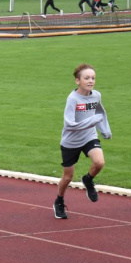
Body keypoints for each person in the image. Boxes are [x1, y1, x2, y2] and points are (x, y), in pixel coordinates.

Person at [53, 63, 111, 220]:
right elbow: (69, 125)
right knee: (68, 177)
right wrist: (92, 121)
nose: (91, 81)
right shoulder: (72, 99)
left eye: (93, 78)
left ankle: (88, 179)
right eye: (87, 78)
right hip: (71, 142)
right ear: (77, 81)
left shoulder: (96, 95)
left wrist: (105, 129)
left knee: (99, 162)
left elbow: (100, 112)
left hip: (89, 137)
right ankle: (59, 201)